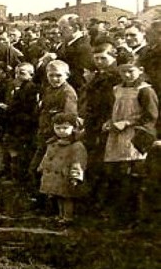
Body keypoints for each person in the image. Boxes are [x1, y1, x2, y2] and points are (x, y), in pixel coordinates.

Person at [101, 62, 158, 222]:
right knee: (117, 174)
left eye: (130, 71)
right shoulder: (117, 89)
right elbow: (114, 109)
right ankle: (119, 214)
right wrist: (109, 121)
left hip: (135, 136)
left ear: (140, 70)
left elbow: (151, 116)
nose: (127, 75)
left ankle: (135, 217)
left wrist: (127, 123)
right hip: (117, 134)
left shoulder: (145, 90)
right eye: (123, 72)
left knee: (133, 175)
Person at [37, 112, 87, 223]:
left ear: (73, 128)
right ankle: (60, 215)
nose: (61, 131)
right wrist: (42, 167)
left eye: (65, 128)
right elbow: (47, 157)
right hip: (55, 177)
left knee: (67, 197)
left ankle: (67, 217)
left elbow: (78, 162)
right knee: (58, 196)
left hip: (66, 175)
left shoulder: (76, 146)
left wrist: (75, 176)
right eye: (58, 128)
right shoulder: (53, 143)